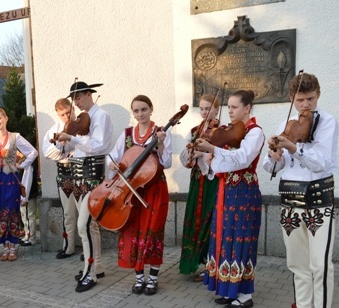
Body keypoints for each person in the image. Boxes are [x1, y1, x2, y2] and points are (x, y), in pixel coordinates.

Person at [263, 73, 339, 308]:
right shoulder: (286, 126)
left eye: (310, 98)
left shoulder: (327, 122)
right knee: (297, 264)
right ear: (291, 99)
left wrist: (292, 146)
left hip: (318, 201)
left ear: (318, 94)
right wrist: (274, 158)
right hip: (290, 201)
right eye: (300, 99)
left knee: (320, 266)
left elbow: (321, 162)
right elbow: (272, 169)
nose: (305, 104)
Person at [193, 89, 264, 308]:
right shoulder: (227, 132)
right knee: (224, 238)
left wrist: (214, 149)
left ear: (247, 108)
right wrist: (208, 158)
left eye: (234, 107)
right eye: (229, 106)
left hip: (244, 191)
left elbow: (242, 160)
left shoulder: (255, 132)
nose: (230, 111)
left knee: (241, 238)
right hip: (226, 190)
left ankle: (244, 294)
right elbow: (218, 167)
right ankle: (227, 288)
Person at [107, 95, 171, 296]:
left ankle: (153, 278)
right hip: (131, 193)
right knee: (132, 231)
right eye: (136, 110)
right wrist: (112, 165)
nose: (140, 114)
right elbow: (115, 158)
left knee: (152, 231)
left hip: (154, 190)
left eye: (144, 109)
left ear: (151, 109)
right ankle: (139, 278)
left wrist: (160, 144)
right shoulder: (127, 134)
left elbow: (166, 162)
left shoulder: (159, 132)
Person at [55, 81, 113, 292]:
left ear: (89, 94)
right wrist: (65, 140)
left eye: (78, 97)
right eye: (74, 99)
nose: (76, 103)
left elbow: (98, 146)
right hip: (78, 176)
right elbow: (75, 147)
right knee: (90, 225)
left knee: (84, 225)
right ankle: (96, 265)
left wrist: (72, 136)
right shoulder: (81, 121)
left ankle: (90, 274)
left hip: (92, 177)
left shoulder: (101, 116)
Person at [0, 108, 38, 261]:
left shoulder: (15, 137)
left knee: (12, 211)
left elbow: (33, 152)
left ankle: (12, 247)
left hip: (10, 181)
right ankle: (4, 247)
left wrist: (22, 164)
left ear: (6, 118)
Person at [179, 94, 220, 282]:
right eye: (202, 108)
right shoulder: (195, 130)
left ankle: (212, 265)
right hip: (196, 180)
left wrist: (202, 155)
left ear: (217, 109)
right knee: (195, 217)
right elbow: (184, 157)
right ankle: (197, 261)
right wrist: (191, 153)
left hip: (211, 181)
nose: (204, 112)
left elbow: (220, 157)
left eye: (208, 108)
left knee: (209, 220)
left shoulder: (221, 131)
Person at [42, 98, 78, 259]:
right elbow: (47, 152)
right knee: (68, 213)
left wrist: (74, 152)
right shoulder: (54, 130)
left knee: (87, 215)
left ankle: (89, 247)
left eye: (68, 112)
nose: (66, 117)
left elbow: (90, 147)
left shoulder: (84, 126)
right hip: (65, 176)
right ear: (58, 114)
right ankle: (68, 246)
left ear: (73, 109)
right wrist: (61, 150)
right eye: (62, 114)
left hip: (83, 174)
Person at [20, 145, 39, 246]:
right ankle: (27, 235)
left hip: (28, 195)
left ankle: (31, 238)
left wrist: (24, 198)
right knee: (25, 216)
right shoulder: (26, 163)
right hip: (28, 194)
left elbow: (27, 182)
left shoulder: (28, 164)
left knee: (28, 216)